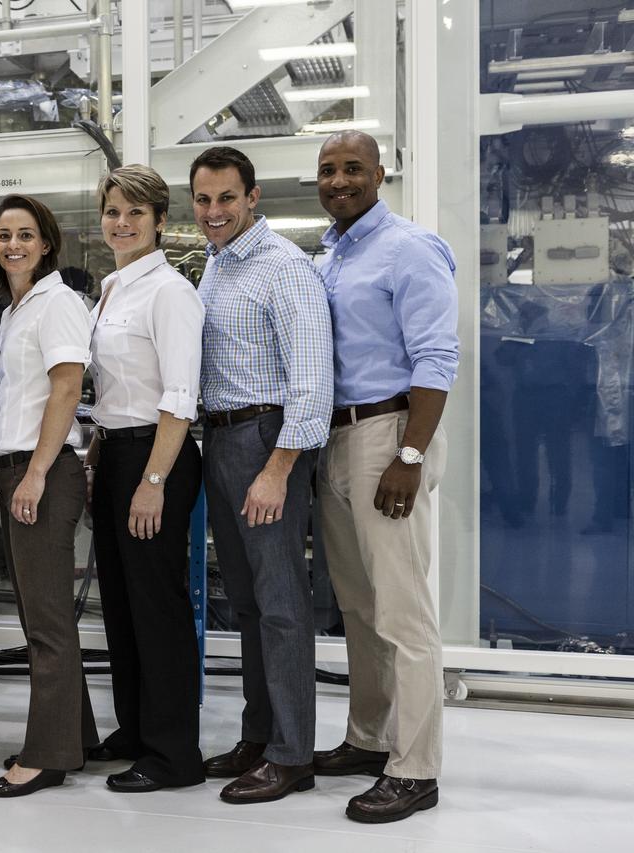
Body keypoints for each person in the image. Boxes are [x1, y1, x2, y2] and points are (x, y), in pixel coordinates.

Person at [311, 130, 458, 824]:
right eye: (328, 170)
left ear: (379, 173)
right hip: (336, 435)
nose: (339, 180)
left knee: (402, 611)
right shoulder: (333, 255)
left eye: (351, 168)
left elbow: (436, 357)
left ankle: (415, 766)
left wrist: (409, 455)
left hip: (387, 432)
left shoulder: (409, 248)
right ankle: (369, 738)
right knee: (359, 607)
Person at [192, 146, 333, 804]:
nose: (214, 211)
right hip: (219, 439)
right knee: (247, 604)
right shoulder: (216, 268)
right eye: (203, 200)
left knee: (279, 607)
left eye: (226, 198)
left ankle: (291, 753)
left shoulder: (285, 269)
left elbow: (312, 387)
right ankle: (258, 734)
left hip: (266, 441)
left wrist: (278, 469)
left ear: (252, 197)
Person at [86, 165, 205, 793]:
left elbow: (179, 397)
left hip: (157, 457)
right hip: (116, 455)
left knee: (157, 607)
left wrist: (154, 479)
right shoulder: (111, 288)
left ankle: (172, 755)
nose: (121, 223)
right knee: (123, 606)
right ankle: (134, 730)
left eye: (135, 213)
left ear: (160, 221)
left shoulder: (169, 293)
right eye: (112, 211)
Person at [0, 194, 98, 798]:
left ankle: (48, 754)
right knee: (40, 613)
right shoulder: (14, 309)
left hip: (40, 472)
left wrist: (35, 475)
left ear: (46, 242)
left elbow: (66, 388)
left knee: (46, 621)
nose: (13, 245)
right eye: (3, 235)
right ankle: (76, 735)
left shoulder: (58, 303)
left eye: (25, 234)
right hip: (18, 468)